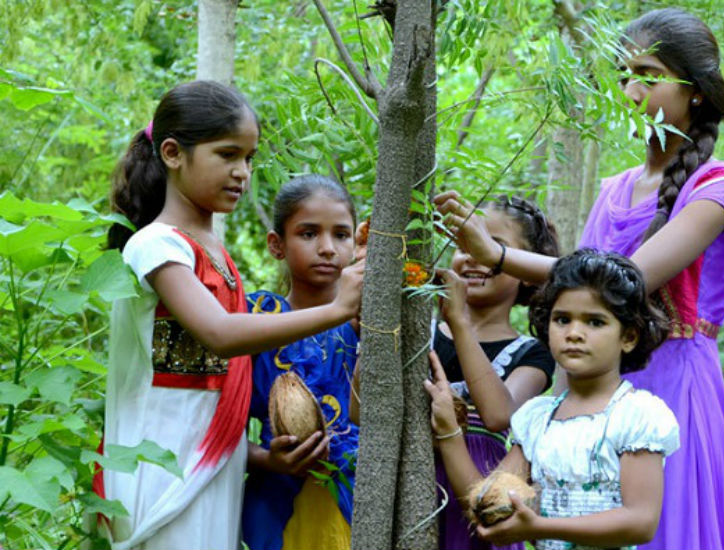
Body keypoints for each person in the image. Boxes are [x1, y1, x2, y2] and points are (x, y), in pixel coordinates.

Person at [433, 8, 724, 549]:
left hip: (677, 391)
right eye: (624, 75)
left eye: (649, 76)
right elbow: (582, 296)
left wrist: (497, 254)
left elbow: (620, 281)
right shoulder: (614, 190)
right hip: (591, 391)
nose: (630, 90)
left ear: (695, 91)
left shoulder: (721, 187)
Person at [97, 81, 363, 550]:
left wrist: (264, 458)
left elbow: (220, 387)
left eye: (249, 158)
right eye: (227, 155)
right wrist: (340, 309)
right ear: (174, 153)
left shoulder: (215, 252)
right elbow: (220, 334)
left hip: (216, 464)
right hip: (161, 464)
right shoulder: (157, 244)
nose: (243, 172)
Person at [425, 250, 679, 550]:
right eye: (562, 319)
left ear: (629, 337)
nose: (574, 333)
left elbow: (640, 522)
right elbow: (487, 505)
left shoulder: (637, 415)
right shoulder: (537, 420)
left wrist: (541, 526)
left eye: (595, 322)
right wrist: (449, 432)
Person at [349, 196, 560, 550]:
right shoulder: (421, 331)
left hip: (474, 494)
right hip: (404, 487)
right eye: (464, 244)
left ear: (526, 273)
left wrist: (459, 322)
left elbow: (497, 414)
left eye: (494, 247)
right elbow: (361, 410)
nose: (474, 255)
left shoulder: (532, 352)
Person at [241, 175, 361, 550]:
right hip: (276, 498)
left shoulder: (373, 323)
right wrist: (264, 459)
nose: (327, 248)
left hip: (359, 497)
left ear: (358, 243)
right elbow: (215, 427)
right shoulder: (254, 318)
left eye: (341, 235)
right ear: (277, 244)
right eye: (308, 234)